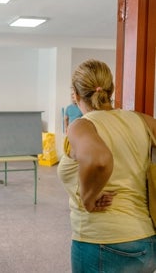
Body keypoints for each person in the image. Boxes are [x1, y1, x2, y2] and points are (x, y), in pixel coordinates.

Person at [57, 59, 156, 273]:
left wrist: (88, 198)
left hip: (102, 241)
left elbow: (99, 159)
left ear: (75, 94)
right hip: (145, 241)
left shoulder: (82, 126)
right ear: (112, 89)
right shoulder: (142, 121)